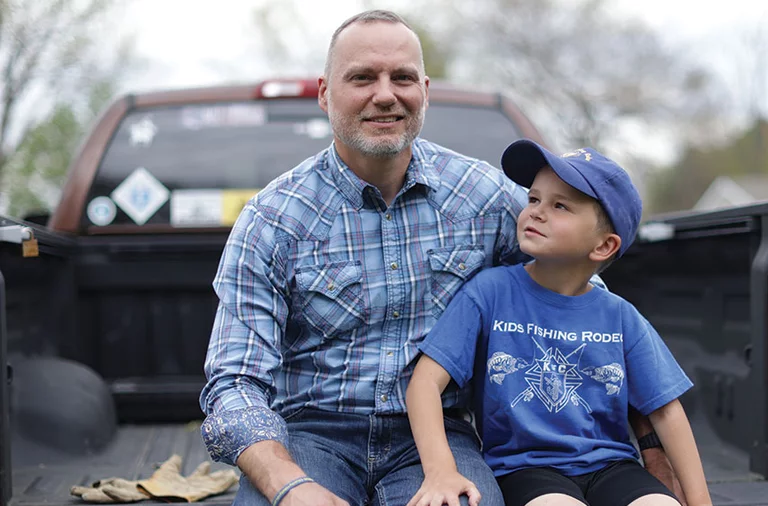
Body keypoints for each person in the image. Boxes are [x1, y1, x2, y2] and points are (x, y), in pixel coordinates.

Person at [199, 9, 680, 506]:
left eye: (402, 77)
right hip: (310, 435)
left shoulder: (484, 197)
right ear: (325, 93)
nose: (385, 94)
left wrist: (650, 449)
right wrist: (289, 484)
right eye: (362, 77)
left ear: (425, 91)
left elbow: (585, 309)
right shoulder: (274, 219)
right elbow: (234, 383)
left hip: (440, 437)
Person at [406, 140, 712, 506]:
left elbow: (666, 410)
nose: (535, 212)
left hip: (613, 466)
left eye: (559, 206)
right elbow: (424, 382)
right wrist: (441, 469)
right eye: (534, 199)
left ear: (603, 246)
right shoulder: (489, 292)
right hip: (525, 469)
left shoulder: (620, 316)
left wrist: (700, 501)